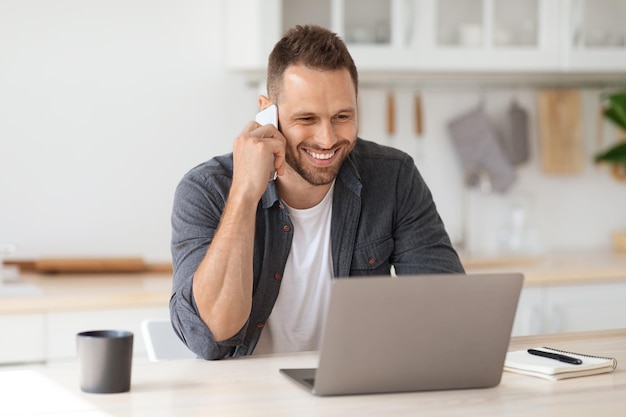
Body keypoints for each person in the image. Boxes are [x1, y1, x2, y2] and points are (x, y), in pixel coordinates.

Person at [170, 25, 464, 360]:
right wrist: (244, 192)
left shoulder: (393, 177)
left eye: (342, 116)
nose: (327, 139)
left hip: (356, 394)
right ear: (268, 112)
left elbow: (448, 315)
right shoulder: (206, 190)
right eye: (306, 118)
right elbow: (210, 336)